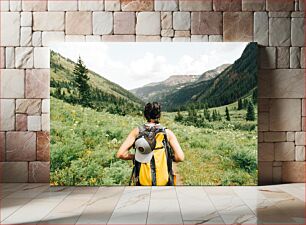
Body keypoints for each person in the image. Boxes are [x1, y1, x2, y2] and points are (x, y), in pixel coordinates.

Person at [116, 102, 184, 186]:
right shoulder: (167, 133)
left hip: (143, 182)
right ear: (159, 115)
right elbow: (180, 157)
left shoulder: (137, 131)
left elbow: (120, 154)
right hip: (163, 181)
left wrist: (137, 156)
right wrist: (169, 157)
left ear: (145, 115)